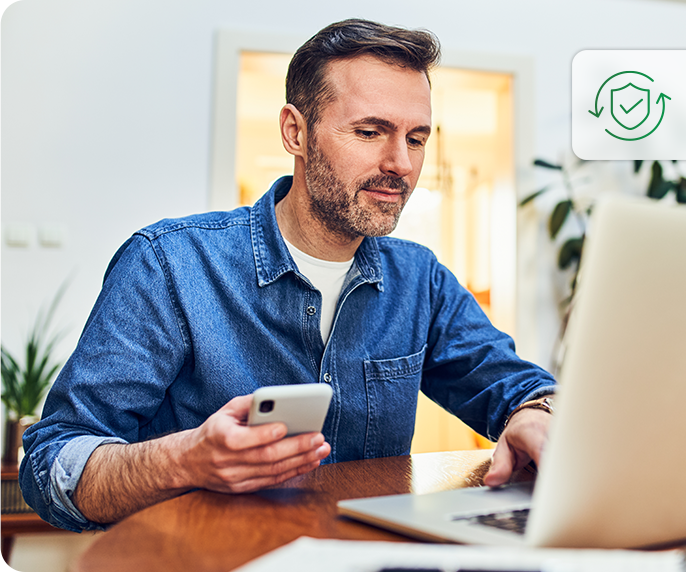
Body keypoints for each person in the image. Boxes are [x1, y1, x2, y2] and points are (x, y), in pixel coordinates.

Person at [20, 19, 556, 533]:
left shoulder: (422, 280)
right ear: (295, 132)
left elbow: (522, 389)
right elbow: (52, 467)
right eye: (370, 132)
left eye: (416, 139)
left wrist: (536, 413)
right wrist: (184, 460)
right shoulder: (169, 265)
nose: (401, 164)